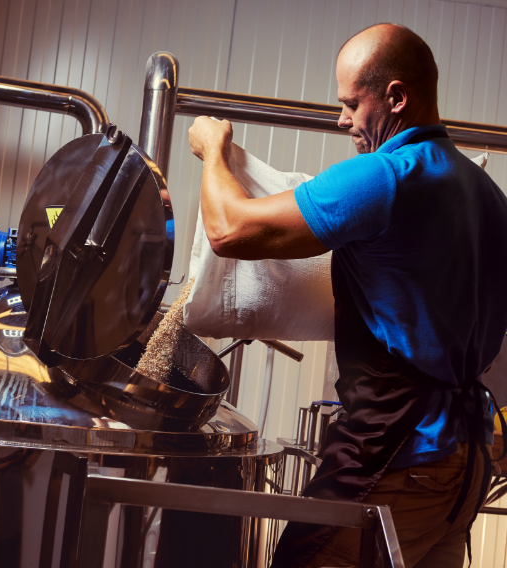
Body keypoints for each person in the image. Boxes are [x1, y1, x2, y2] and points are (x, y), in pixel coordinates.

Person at [188, 23, 507, 568]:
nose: (342, 119)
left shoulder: (385, 176)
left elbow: (230, 230)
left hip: (395, 453)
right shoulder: (488, 195)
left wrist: (212, 150)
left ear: (397, 97)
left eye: (351, 103)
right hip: (465, 462)